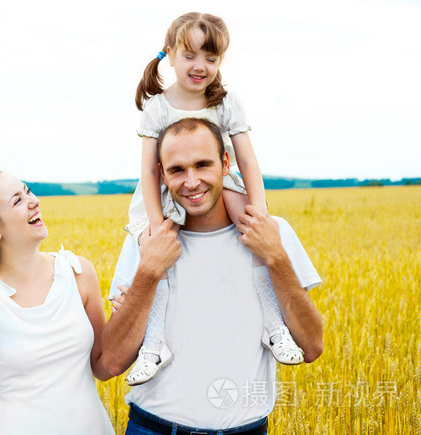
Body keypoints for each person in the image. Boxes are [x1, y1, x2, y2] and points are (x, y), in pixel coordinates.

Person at [103, 118, 323, 434]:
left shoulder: (273, 232)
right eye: (177, 170)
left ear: (225, 164)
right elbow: (111, 362)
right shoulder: (145, 241)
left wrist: (275, 257)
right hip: (153, 428)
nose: (191, 181)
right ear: (163, 175)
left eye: (202, 165)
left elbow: (312, 345)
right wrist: (149, 272)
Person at [121, 12, 303, 387]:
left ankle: (274, 326)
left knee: (255, 235)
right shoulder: (157, 106)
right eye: (190, 56)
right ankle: (153, 345)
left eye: (211, 58)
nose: (200, 66)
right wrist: (156, 224)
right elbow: (149, 172)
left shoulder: (226, 102)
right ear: (169, 54)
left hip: (221, 186)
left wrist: (259, 209)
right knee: (156, 259)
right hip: (163, 194)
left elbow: (247, 159)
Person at [0, 170, 114, 435]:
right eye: (17, 200)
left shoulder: (79, 273)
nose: (33, 201)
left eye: (27, 190)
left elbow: (102, 366)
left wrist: (133, 308)